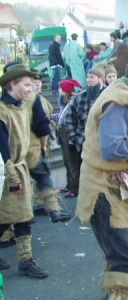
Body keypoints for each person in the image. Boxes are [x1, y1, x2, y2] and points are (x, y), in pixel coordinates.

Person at [75, 55, 128, 299]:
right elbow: (114, 150)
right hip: (104, 189)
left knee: (120, 245)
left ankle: (119, 287)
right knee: (123, 255)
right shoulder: (121, 100)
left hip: (116, 185)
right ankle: (119, 292)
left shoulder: (127, 93)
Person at [0, 64, 48, 278]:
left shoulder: (20, 107)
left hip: (18, 168)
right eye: (26, 85)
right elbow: (2, 146)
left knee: (21, 216)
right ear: (12, 84)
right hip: (6, 171)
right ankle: (26, 261)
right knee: (8, 216)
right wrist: (11, 175)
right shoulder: (2, 110)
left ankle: (26, 259)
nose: (30, 89)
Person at [24, 68, 73, 222]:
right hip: (34, 144)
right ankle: (48, 210)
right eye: (34, 83)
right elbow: (41, 124)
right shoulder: (32, 100)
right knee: (40, 176)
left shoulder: (37, 99)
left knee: (39, 177)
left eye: (39, 83)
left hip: (33, 143)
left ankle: (40, 205)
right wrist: (44, 143)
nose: (37, 85)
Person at [65, 61, 107, 197]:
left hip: (105, 144)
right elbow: (69, 119)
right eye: (88, 77)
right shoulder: (79, 98)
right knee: (87, 176)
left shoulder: (109, 96)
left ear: (101, 79)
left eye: (92, 77)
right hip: (84, 144)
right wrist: (76, 139)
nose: (89, 80)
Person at [56, 79, 83, 199]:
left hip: (69, 133)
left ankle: (74, 188)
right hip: (62, 132)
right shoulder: (63, 102)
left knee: (73, 163)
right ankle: (69, 184)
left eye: (61, 89)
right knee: (66, 162)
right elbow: (60, 116)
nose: (59, 91)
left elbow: (72, 119)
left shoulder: (73, 101)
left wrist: (72, 140)